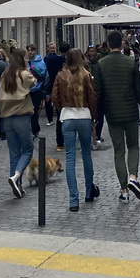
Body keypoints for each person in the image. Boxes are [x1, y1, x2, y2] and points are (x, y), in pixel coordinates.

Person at [94, 30, 140, 202]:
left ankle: (124, 190)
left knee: (118, 152)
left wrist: (97, 115)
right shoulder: (130, 63)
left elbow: (98, 92)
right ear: (122, 44)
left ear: (109, 44)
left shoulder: (101, 64)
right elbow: (139, 89)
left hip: (112, 114)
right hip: (131, 112)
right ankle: (133, 177)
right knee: (133, 146)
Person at [52, 48, 99, 211]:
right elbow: (92, 97)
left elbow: (54, 96)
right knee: (86, 155)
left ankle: (73, 200)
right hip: (84, 116)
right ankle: (88, 192)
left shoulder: (60, 75)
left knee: (70, 158)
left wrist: (62, 110)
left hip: (68, 117)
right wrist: (94, 117)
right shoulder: (86, 74)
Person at [0, 49, 35, 198]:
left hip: (7, 118)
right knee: (27, 149)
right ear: (21, 59)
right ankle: (16, 176)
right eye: (26, 58)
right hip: (22, 116)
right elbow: (34, 82)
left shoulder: (5, 75)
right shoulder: (24, 74)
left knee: (14, 153)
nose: (27, 60)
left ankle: (17, 186)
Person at [25, 44, 47, 137]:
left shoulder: (41, 62)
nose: (30, 52)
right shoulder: (25, 62)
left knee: (34, 110)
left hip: (37, 90)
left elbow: (45, 76)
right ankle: (32, 128)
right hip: (26, 90)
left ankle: (34, 130)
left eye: (32, 50)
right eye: (29, 50)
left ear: (35, 51)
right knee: (27, 111)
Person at [43, 42, 65, 128]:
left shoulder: (58, 58)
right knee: (48, 101)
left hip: (56, 80)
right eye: (51, 48)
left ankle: (59, 114)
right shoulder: (46, 58)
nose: (52, 50)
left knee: (57, 98)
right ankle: (50, 119)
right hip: (49, 81)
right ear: (48, 48)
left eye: (53, 48)